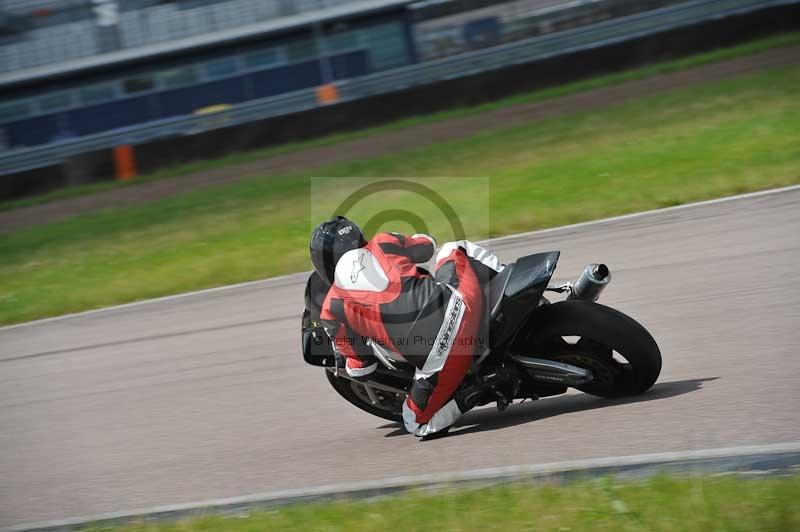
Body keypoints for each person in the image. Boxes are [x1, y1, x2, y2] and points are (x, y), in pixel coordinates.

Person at [308, 216, 503, 438]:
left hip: (438, 356)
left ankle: (476, 390)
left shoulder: (330, 307)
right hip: (460, 304)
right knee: (455, 248)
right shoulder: (383, 240)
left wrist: (350, 358)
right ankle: (508, 290)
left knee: (416, 423)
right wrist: (417, 241)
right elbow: (427, 246)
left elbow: (361, 367)